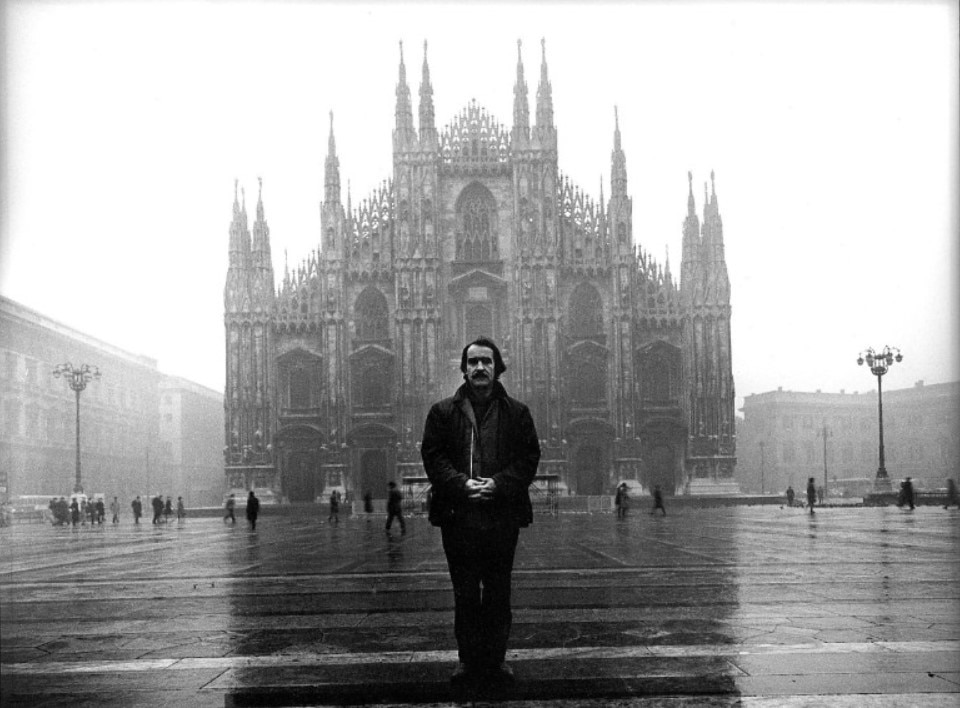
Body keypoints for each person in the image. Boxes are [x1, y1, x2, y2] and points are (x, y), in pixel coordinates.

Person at [421, 336, 540, 689]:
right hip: (459, 516)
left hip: (501, 515)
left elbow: (529, 458)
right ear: (463, 369)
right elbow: (433, 457)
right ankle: (468, 660)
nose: (479, 368)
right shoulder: (442, 412)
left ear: (497, 367)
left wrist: (500, 484)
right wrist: (460, 484)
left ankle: (496, 659)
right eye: (472, 362)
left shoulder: (518, 413)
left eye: (486, 362)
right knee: (466, 592)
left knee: (499, 591)